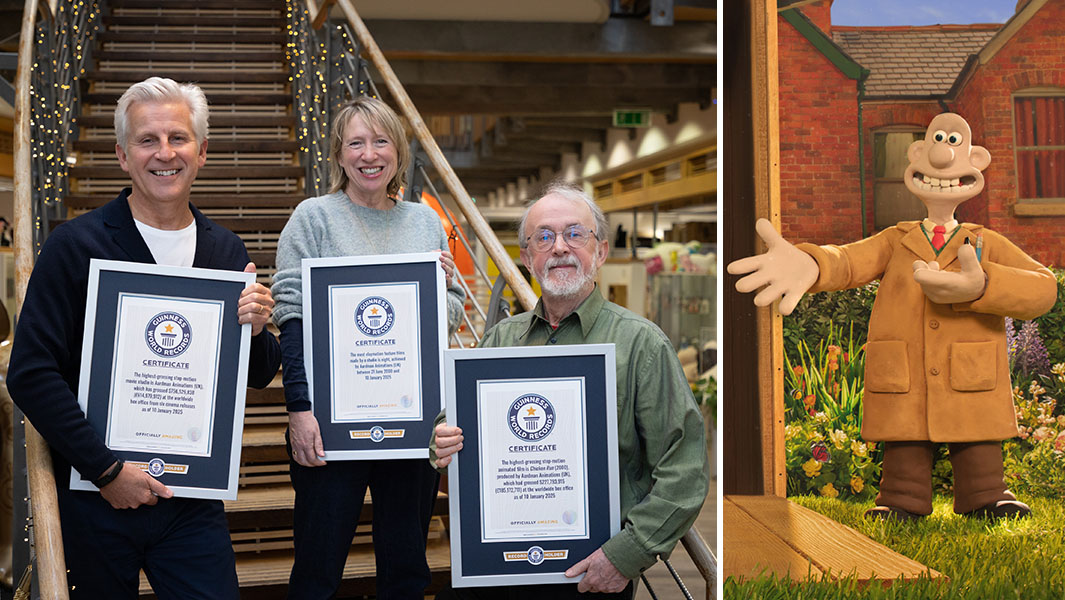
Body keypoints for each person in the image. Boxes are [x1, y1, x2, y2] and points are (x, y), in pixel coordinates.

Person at [6, 77, 282, 598]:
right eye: (147, 140)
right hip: (95, 498)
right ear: (122, 155)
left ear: (202, 152)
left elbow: (258, 371)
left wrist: (257, 326)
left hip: (191, 499)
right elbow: (31, 371)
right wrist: (107, 470)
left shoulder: (224, 249)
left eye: (178, 138)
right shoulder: (76, 245)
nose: (164, 153)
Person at [728, 112, 1057, 520]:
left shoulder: (984, 242)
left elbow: (1043, 288)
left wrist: (984, 285)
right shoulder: (895, 240)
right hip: (905, 376)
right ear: (917, 155)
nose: (941, 158)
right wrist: (811, 264)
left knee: (977, 437)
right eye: (936, 142)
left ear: (976, 162)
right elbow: (847, 261)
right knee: (905, 438)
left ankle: (987, 495)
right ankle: (901, 499)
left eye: (954, 144)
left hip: (972, 374)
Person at [431, 182, 710, 599]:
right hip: (499, 568)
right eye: (543, 237)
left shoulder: (641, 345)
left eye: (574, 233)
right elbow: (448, 423)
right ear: (527, 259)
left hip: (594, 577)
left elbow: (684, 470)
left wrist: (625, 555)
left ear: (600, 251)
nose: (559, 247)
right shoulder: (500, 340)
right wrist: (440, 439)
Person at [271, 95, 464, 599]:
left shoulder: (424, 222)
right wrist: (299, 409)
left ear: (398, 152)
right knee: (317, 569)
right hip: (329, 425)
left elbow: (450, 316)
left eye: (381, 141)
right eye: (355, 142)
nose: (369, 153)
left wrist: (441, 289)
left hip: (412, 423)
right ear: (338, 154)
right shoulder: (312, 218)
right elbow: (288, 316)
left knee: (407, 571)